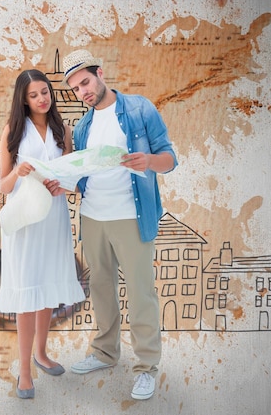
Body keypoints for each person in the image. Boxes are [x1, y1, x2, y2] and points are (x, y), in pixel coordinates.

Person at [62, 49, 178, 400]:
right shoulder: (83, 126)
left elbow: (169, 159)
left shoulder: (140, 109)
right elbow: (81, 171)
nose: (83, 91)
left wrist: (148, 161)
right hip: (93, 217)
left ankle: (146, 368)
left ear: (99, 73)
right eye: (76, 89)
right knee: (101, 288)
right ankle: (105, 352)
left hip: (131, 216)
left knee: (141, 292)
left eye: (85, 82)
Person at [0, 69, 86, 399]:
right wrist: (18, 171)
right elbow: (3, 185)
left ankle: (42, 353)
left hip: (54, 217)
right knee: (27, 290)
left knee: (47, 286)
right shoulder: (12, 132)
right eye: (34, 95)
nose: (42, 99)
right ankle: (24, 371)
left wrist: (60, 184)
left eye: (45, 92)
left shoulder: (63, 129)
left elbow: (70, 175)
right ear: (23, 98)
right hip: (25, 219)